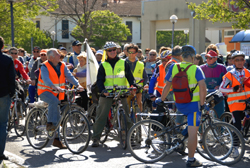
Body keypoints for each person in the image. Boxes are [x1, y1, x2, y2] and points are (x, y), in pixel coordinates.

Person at [158, 45, 206, 167]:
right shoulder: (196, 69)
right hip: (193, 105)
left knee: (181, 123)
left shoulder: (174, 67)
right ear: (193, 56)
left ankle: (179, 137)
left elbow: (167, 85)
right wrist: (202, 104)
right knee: (193, 132)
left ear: (182, 56)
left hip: (179, 103)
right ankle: (191, 160)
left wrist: (161, 99)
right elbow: (203, 88)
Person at [37, 48, 84, 149]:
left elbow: (69, 76)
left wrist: (77, 85)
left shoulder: (62, 65)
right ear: (52, 58)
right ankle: (49, 124)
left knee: (58, 116)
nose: (60, 55)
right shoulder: (44, 65)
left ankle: (57, 140)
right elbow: (46, 79)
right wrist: (53, 87)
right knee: (54, 102)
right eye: (58, 54)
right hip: (45, 92)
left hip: (58, 93)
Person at [92, 41, 135, 147]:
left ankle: (131, 138)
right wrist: (103, 91)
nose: (112, 52)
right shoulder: (103, 65)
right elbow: (100, 80)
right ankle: (96, 138)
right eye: (109, 50)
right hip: (107, 93)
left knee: (126, 115)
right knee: (101, 115)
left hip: (121, 92)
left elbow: (130, 77)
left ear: (117, 50)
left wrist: (132, 85)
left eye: (114, 50)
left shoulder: (123, 63)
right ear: (106, 52)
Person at [219, 51, 250, 157]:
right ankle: (234, 148)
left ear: (244, 61)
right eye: (237, 60)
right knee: (237, 125)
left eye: (242, 59)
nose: (240, 62)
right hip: (235, 104)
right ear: (233, 62)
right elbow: (221, 89)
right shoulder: (229, 75)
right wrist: (233, 89)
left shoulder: (248, 73)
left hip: (247, 102)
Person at [0, 36, 15, 162]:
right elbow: (11, 79)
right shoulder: (7, 59)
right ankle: (0, 153)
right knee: (2, 125)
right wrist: (12, 93)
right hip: (4, 95)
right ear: (3, 47)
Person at [200, 48, 227, 118]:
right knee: (202, 117)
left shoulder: (222, 68)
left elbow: (227, 82)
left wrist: (219, 85)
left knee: (219, 116)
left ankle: (220, 128)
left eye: (210, 58)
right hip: (205, 95)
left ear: (216, 58)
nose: (208, 59)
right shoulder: (201, 68)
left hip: (218, 95)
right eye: (207, 57)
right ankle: (201, 129)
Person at [164, 45, 184, 126]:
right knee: (179, 109)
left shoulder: (175, 63)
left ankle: (177, 126)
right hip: (172, 91)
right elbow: (170, 80)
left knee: (179, 109)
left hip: (173, 90)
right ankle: (177, 127)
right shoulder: (172, 64)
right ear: (179, 55)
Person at [125, 43, 148, 112]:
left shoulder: (141, 64)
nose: (131, 54)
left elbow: (145, 76)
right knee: (126, 106)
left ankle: (138, 120)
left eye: (133, 52)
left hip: (138, 88)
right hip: (126, 89)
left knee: (138, 105)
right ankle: (126, 121)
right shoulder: (122, 63)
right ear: (127, 52)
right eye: (130, 52)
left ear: (136, 53)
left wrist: (145, 84)